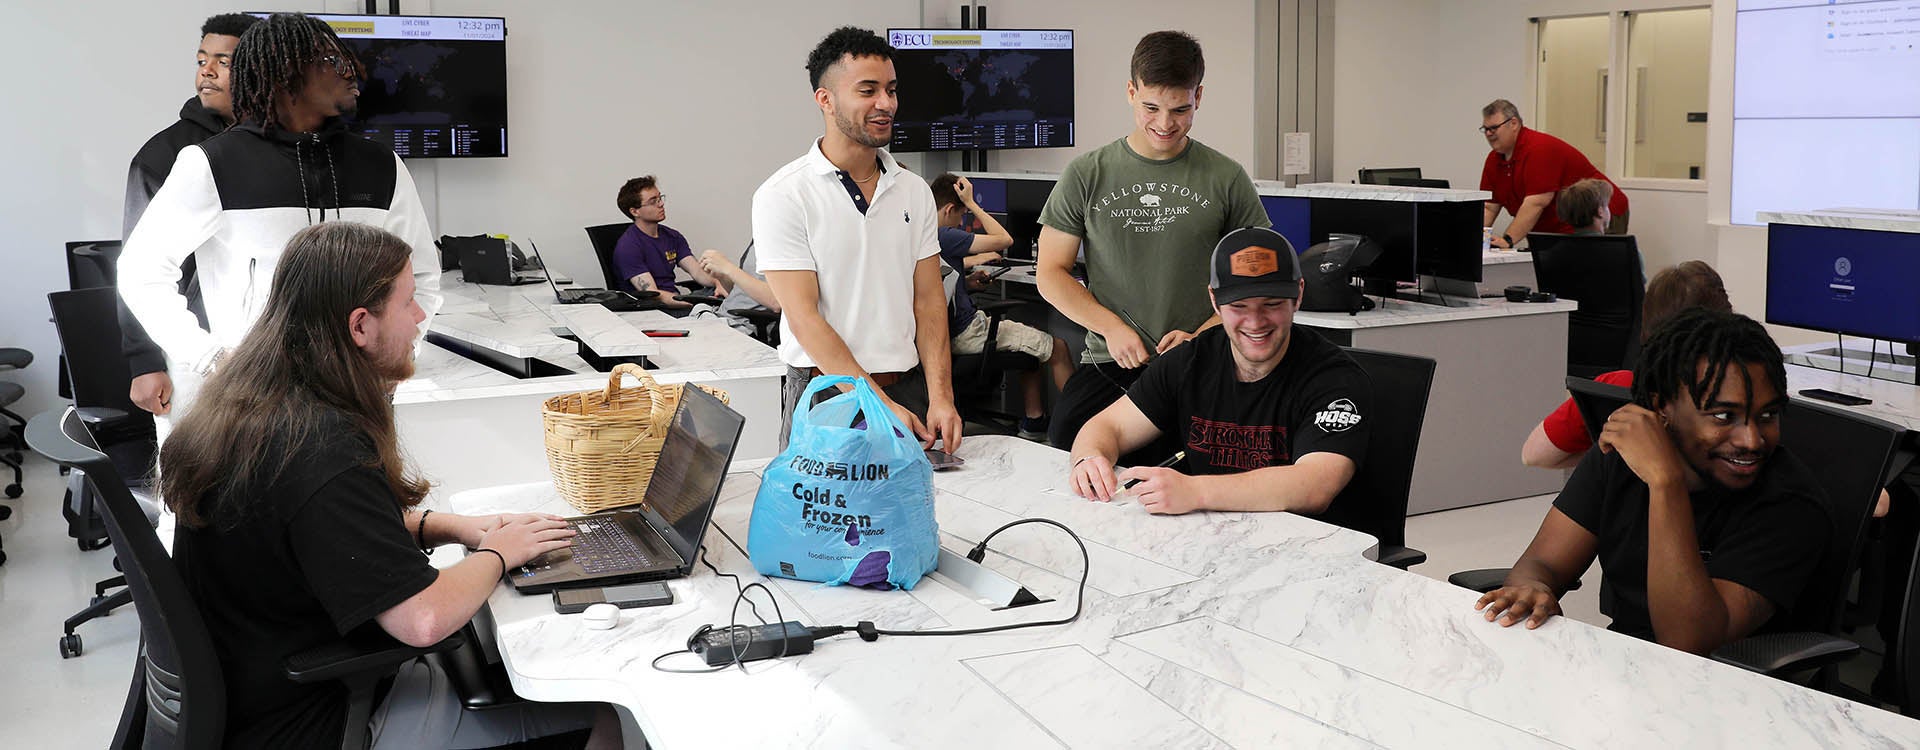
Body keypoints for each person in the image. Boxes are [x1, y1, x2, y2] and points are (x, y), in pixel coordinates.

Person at [159, 223, 618, 749]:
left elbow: (316, 528)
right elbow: (421, 620)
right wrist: (497, 553)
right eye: (408, 302)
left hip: (260, 689)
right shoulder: (320, 445)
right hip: (319, 719)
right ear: (360, 325)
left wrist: (452, 527)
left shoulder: (260, 405)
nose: (421, 316)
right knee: (599, 718)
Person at [119, 13, 442, 424]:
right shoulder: (212, 163)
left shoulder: (382, 166)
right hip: (252, 400)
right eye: (324, 65)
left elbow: (423, 277)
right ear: (281, 78)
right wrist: (209, 358)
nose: (344, 76)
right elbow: (140, 271)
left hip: (357, 396)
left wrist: (399, 353)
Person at [1476, 309, 1830, 656]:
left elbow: (1688, 643)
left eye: (1767, 415)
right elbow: (1543, 562)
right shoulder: (1619, 460)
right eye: (1724, 416)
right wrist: (1532, 588)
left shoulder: (1790, 503)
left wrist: (1665, 483)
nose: (1752, 440)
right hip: (1628, 669)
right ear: (1663, 407)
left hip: (1735, 693)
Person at [1036, 30, 1270, 455]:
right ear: (1131, 92)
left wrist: (1201, 335)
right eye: (1151, 107)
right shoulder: (1087, 173)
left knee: (1193, 465)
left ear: (1199, 96)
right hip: (1112, 362)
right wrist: (1110, 328)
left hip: (1201, 361)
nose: (1165, 124)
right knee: (1067, 441)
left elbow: (1256, 277)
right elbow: (1050, 274)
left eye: (1180, 109)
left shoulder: (1226, 177)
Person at [1067, 227, 1371, 524]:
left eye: (1272, 304)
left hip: (1308, 547)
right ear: (1215, 301)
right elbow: (1109, 426)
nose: (1255, 322)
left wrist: (1195, 491)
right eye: (1238, 306)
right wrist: (1089, 459)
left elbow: (1315, 484)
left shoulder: (1334, 378)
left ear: (1298, 295)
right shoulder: (1189, 361)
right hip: (1210, 538)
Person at [753, 26, 960, 450]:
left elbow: (929, 300)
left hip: (907, 390)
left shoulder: (913, 189)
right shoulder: (783, 194)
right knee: (816, 516)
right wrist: (875, 402)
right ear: (825, 100)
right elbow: (804, 318)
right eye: (868, 91)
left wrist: (941, 396)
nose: (885, 104)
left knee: (917, 515)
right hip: (827, 393)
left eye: (891, 89)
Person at [120, 12, 259, 418]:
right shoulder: (164, 156)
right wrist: (143, 362)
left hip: (271, 356)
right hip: (194, 354)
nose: (208, 73)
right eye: (202, 61)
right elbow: (135, 267)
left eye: (224, 61)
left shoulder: (284, 150)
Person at [1522, 261, 1732, 470]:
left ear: (1646, 319)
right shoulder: (1742, 394)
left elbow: (1534, 454)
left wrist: (1625, 452)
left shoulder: (1619, 384)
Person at [930, 173, 1073, 440]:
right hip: (968, 332)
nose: (962, 222)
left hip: (945, 335)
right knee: (1059, 348)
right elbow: (1004, 240)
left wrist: (968, 283)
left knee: (1028, 340)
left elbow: (939, 286)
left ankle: (1034, 422)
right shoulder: (945, 234)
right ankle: (1075, 428)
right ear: (950, 209)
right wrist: (972, 203)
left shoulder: (921, 232)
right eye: (960, 215)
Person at [1479, 99, 1630, 247]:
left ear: (1513, 124)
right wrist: (1472, 240)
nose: (1489, 134)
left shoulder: (1538, 149)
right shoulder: (1494, 160)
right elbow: (1489, 207)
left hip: (1600, 212)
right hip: (1558, 225)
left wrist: (1508, 240)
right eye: (1485, 129)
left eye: (1494, 128)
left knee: (1595, 266)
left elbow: (1536, 203)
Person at [610, 175, 722, 309]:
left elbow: (697, 272)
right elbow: (652, 294)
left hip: (676, 299)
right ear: (635, 211)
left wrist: (718, 283)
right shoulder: (628, 246)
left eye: (660, 198)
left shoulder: (672, 236)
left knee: (733, 293)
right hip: (656, 309)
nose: (661, 204)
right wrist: (697, 302)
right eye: (653, 201)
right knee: (715, 309)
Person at [691, 248, 783, 337]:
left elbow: (777, 302)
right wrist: (722, 277)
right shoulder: (757, 241)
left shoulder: (786, 245)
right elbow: (738, 293)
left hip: (742, 327)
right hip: (719, 317)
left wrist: (727, 267)